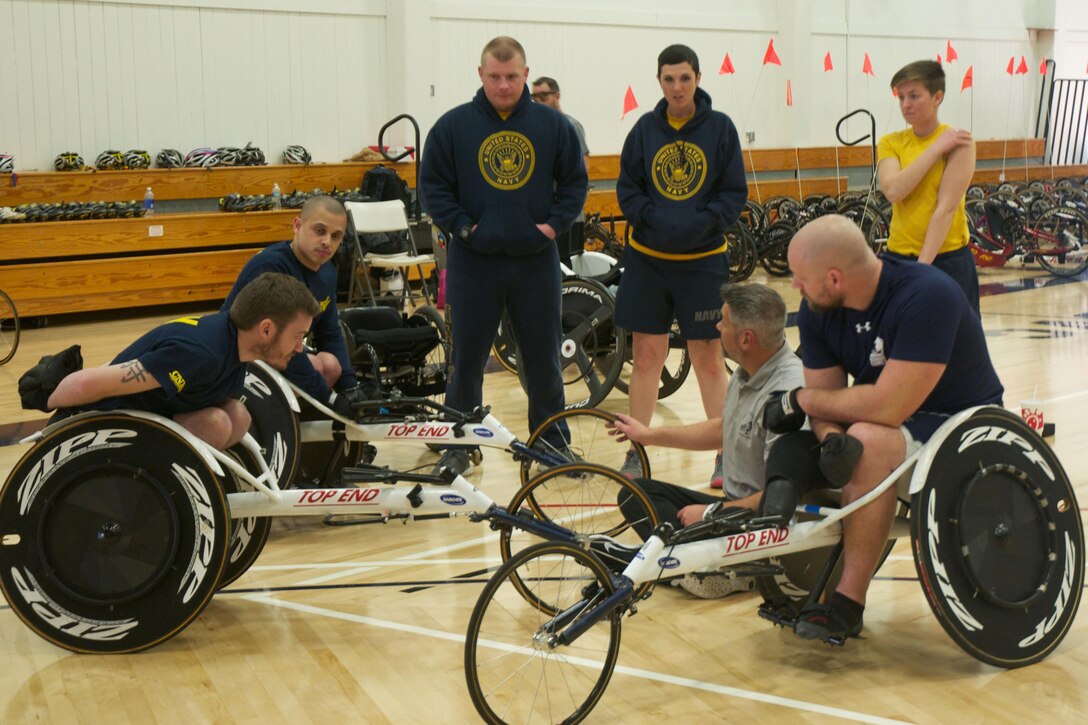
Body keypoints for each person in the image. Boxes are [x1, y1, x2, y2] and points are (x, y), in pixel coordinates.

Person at [762, 214, 1003, 642]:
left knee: (869, 441)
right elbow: (827, 399)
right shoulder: (819, 311)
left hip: (963, 425)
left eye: (800, 278)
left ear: (834, 279)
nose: (795, 286)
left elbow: (886, 407)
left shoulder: (927, 295)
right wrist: (829, 438)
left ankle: (848, 602)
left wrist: (800, 401)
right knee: (821, 444)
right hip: (892, 423)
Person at [419, 36, 589, 477]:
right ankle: (458, 444)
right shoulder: (453, 126)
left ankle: (552, 445)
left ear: (526, 74)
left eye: (512, 76)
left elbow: (574, 183)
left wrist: (552, 226)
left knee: (544, 358)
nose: (503, 85)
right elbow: (433, 187)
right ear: (480, 75)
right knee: (466, 359)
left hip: (535, 261)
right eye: (494, 76)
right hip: (472, 261)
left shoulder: (554, 127)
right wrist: (461, 226)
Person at [607, 283, 804, 593]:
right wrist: (648, 435)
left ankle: (711, 566)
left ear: (746, 339)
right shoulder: (747, 368)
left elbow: (781, 497)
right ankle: (692, 564)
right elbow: (722, 428)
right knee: (635, 493)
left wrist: (710, 513)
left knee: (624, 553)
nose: (717, 326)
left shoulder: (788, 393)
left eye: (723, 322)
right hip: (732, 508)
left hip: (761, 521)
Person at [615, 43, 748, 488]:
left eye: (684, 78)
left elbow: (733, 194)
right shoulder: (643, 131)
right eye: (669, 79)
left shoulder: (721, 129)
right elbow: (628, 191)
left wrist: (700, 224)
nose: (677, 87)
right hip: (648, 262)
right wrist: (654, 220)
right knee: (645, 356)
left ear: (698, 78)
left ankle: (726, 455)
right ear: (659, 81)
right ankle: (637, 451)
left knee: (709, 358)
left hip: (703, 263)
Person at [33, 272, 321, 449]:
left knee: (237, 416)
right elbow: (88, 383)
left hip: (156, 415)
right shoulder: (200, 354)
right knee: (217, 424)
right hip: (101, 423)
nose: (300, 347)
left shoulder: (235, 348)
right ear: (267, 329)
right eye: (298, 336)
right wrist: (49, 409)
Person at [221, 195, 359, 408]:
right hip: (242, 356)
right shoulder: (270, 266)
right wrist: (330, 398)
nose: (327, 242)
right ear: (297, 225)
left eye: (336, 236)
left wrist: (350, 389)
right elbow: (273, 344)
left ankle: (303, 420)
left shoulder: (328, 272)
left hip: (284, 349)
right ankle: (279, 422)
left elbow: (330, 333)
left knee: (331, 365)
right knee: (316, 367)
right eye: (320, 231)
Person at [877, 60, 979, 314]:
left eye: (914, 96)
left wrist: (922, 269)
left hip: (947, 259)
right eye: (901, 97)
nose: (905, 104)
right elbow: (893, 191)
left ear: (937, 97)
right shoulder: (891, 142)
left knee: (957, 346)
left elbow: (946, 208)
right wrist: (935, 149)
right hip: (899, 256)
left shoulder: (960, 142)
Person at [531, 76, 590, 268]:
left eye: (543, 96)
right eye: (534, 96)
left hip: (567, 216)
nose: (538, 101)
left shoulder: (570, 126)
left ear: (557, 96)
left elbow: (582, 170)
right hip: (543, 214)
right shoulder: (537, 128)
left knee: (565, 269)